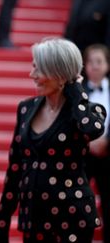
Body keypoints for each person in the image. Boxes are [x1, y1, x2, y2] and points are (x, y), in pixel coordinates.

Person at [0, 38, 106, 243]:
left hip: (72, 219)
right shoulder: (26, 108)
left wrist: (75, 91)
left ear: (59, 74)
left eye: (38, 69)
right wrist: (1, 226)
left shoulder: (85, 112)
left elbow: (93, 130)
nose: (32, 75)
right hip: (33, 219)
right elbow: (15, 170)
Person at [82, 44, 110, 243]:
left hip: (108, 155)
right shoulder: (77, 92)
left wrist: (107, 141)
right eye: (90, 62)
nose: (95, 66)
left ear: (107, 65)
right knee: (81, 201)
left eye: (99, 61)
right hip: (83, 155)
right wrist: (88, 142)